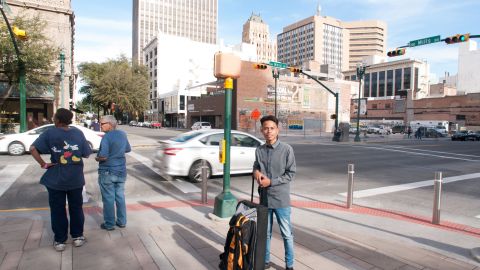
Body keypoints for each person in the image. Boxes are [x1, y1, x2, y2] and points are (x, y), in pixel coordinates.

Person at [30, 108, 91, 251]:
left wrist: (43, 164)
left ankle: (60, 240)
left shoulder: (50, 133)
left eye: (54, 117)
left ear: (58, 120)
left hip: (56, 180)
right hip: (75, 179)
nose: (53, 119)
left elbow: (33, 148)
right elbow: (86, 154)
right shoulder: (78, 132)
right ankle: (77, 237)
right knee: (76, 208)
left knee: (58, 210)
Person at [253, 115, 296, 270]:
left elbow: (291, 174)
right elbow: (256, 166)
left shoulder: (287, 149)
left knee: (287, 235)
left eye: (272, 128)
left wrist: (271, 182)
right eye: (266, 128)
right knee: (265, 234)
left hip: (281, 200)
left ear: (278, 130)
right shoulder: (259, 150)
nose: (269, 131)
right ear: (261, 130)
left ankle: (289, 265)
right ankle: (265, 261)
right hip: (264, 199)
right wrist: (256, 173)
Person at [95, 115, 131, 231]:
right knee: (120, 196)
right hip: (121, 171)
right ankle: (122, 222)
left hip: (107, 172)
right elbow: (127, 149)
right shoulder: (122, 134)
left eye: (102, 124)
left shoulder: (106, 137)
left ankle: (109, 224)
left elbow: (103, 156)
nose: (100, 126)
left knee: (108, 198)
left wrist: (97, 158)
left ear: (110, 124)